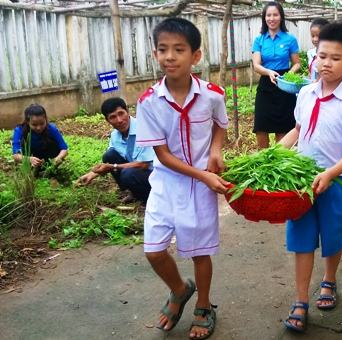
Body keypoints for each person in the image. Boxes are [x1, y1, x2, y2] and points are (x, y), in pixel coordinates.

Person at [135, 17, 229, 340]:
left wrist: (216, 150)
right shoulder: (148, 102)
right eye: (163, 49)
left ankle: (203, 305)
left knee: (200, 251)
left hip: (201, 188)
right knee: (154, 250)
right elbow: (162, 155)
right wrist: (204, 175)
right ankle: (179, 289)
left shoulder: (213, 95)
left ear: (196, 56)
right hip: (165, 184)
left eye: (179, 49)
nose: (169, 56)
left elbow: (220, 125)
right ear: (155, 53)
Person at [278, 22, 342, 333]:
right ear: (314, 56)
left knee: (332, 239)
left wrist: (330, 173)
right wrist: (274, 153)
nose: (326, 63)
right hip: (303, 184)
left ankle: (329, 279)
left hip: (339, 183)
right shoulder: (305, 93)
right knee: (302, 241)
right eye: (322, 56)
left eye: (335, 58)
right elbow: (299, 129)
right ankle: (301, 299)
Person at [76, 97, 154, 205]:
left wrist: (113, 167)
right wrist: (92, 174)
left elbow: (144, 165)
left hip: (155, 176)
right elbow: (109, 162)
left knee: (128, 173)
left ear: (127, 111)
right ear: (107, 120)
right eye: (113, 117)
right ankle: (134, 192)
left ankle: (149, 199)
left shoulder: (145, 129)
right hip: (136, 171)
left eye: (121, 113)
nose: (119, 120)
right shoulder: (115, 136)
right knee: (109, 155)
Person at [252, 1, 301, 149]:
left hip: (284, 87)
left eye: (275, 14)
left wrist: (288, 75)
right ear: (264, 18)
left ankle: (278, 164)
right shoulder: (259, 40)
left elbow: (297, 63)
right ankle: (263, 163)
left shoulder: (290, 39)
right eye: (268, 15)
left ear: (281, 17)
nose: (271, 18)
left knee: (283, 130)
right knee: (261, 128)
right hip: (266, 86)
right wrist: (268, 72)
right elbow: (256, 65)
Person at [12, 103, 68, 168]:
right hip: (29, 158)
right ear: (27, 122)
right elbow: (15, 155)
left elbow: (64, 149)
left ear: (45, 119)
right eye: (34, 125)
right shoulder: (19, 130)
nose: (39, 128)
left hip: (49, 158)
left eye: (42, 123)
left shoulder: (51, 128)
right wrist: (29, 159)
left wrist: (57, 158)